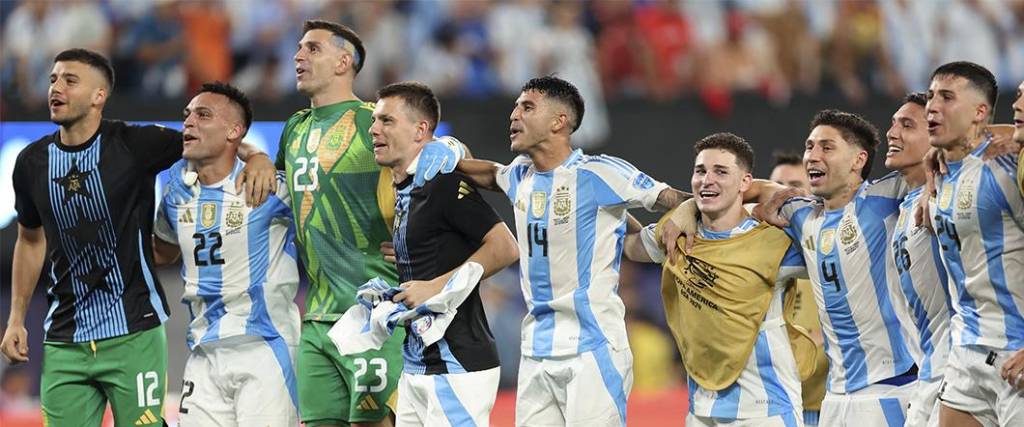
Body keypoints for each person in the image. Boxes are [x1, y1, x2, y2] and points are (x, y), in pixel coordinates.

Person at [2, 48, 275, 426]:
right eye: (53, 79)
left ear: (99, 96)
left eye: (70, 80)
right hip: (64, 336)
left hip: (135, 329)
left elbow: (210, 141)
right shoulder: (31, 162)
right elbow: (30, 240)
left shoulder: (135, 144)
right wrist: (16, 318)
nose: (56, 88)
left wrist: (256, 155)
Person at [451, 76, 689, 426]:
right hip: (536, 350)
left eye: (527, 107)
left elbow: (672, 199)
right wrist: (447, 156)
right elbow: (490, 173)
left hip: (592, 349)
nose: (514, 114)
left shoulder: (599, 172)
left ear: (559, 122)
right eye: (516, 106)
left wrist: (686, 213)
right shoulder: (520, 176)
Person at [277, 20, 462, 427]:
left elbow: (443, 161)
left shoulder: (373, 121)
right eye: (299, 48)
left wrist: (421, 242)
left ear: (344, 62)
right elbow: (278, 185)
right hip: (317, 318)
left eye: (312, 49)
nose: (298, 56)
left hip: (373, 314)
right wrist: (255, 159)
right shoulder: (294, 128)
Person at [623, 133, 808, 426]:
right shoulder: (676, 233)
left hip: (764, 408)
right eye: (700, 171)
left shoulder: (772, 241)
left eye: (721, 172)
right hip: (701, 409)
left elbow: (828, 255)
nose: (707, 179)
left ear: (745, 182)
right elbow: (630, 245)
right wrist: (605, 204)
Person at [369, 81, 519, 426]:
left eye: (387, 121)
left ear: (421, 130)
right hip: (419, 360)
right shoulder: (405, 188)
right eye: (375, 120)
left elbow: (505, 246)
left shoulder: (442, 182)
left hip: (458, 361)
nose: (374, 129)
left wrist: (435, 285)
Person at [151, 82, 301, 426]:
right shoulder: (176, 187)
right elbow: (164, 251)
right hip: (204, 351)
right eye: (187, 115)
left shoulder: (267, 186)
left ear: (234, 130)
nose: (189, 122)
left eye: (203, 115)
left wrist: (259, 157)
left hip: (264, 347)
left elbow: (323, 223)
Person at [760, 110, 917, 425]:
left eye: (827, 148)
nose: (812, 156)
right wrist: (685, 211)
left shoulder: (886, 197)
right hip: (834, 396)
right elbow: (752, 188)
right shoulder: (801, 214)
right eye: (810, 146)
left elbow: (938, 159)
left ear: (859, 160)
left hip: (888, 387)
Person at [923, 62, 1024, 427]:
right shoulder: (938, 173)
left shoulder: (1009, 166)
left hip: (1016, 351)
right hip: (965, 350)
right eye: (931, 96)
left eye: (947, 97)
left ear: (980, 112)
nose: (932, 106)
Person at [885, 92, 952, 427]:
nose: (892, 133)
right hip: (929, 367)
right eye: (893, 124)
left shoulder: (946, 197)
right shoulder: (904, 204)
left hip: (958, 365)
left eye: (907, 125)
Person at [770, 152, 829, 427]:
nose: (782, 195)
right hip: (768, 405)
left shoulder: (827, 253)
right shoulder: (755, 255)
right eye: (775, 185)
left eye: (793, 186)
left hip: (823, 406)